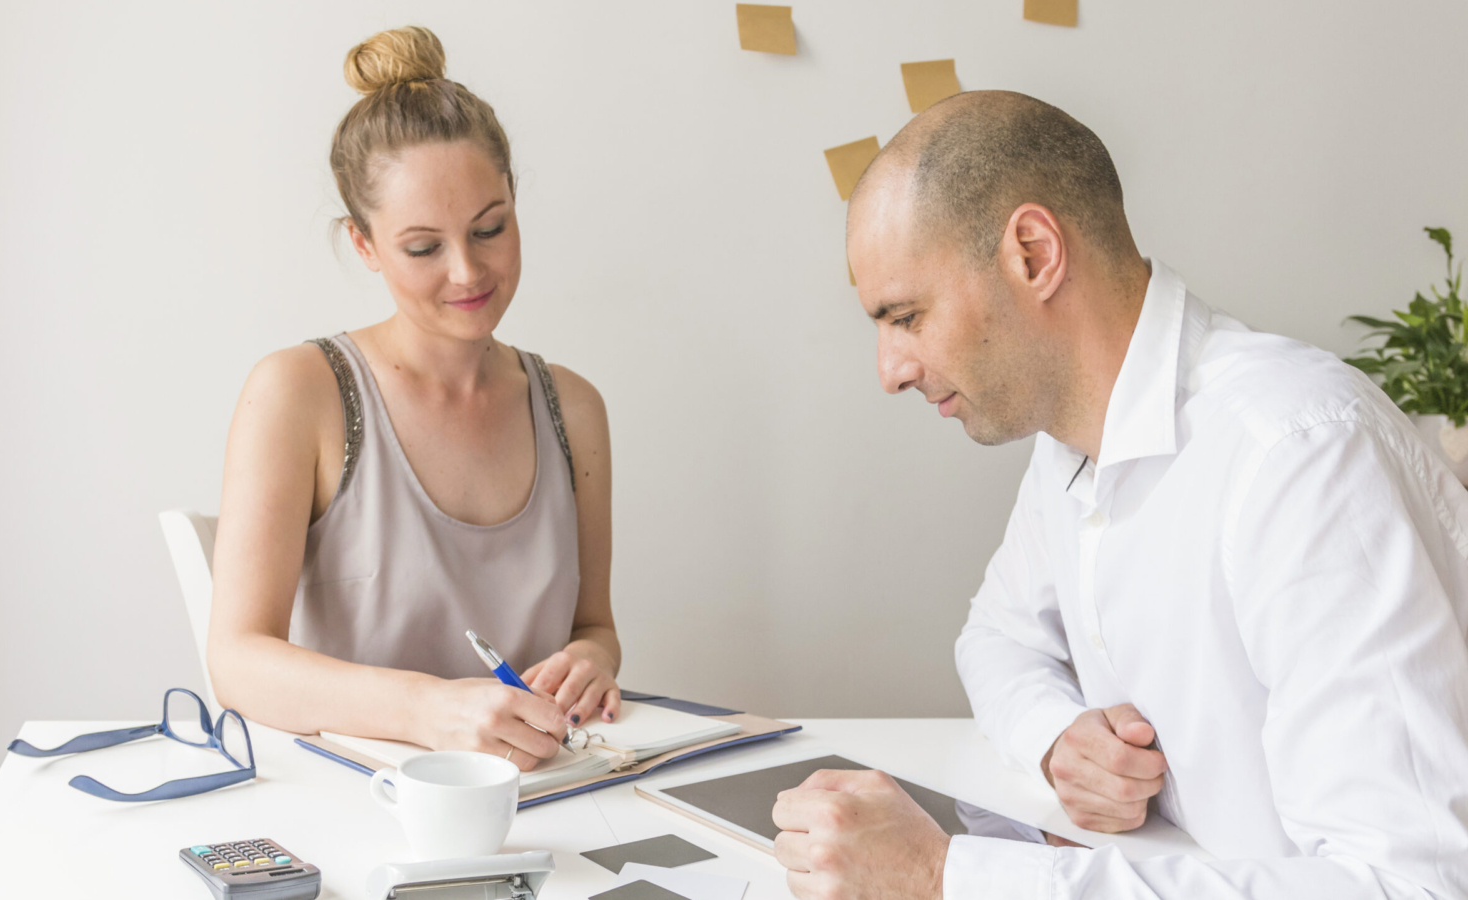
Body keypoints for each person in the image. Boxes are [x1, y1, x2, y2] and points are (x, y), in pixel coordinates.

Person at [772, 90, 1468, 899]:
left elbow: (1413, 887)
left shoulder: (1300, 453)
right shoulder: (1071, 438)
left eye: (906, 315)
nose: (890, 371)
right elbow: (996, 637)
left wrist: (945, 876)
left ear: (1033, 253)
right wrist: (1056, 734)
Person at [205, 26, 621, 771]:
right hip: (358, 808)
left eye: (490, 228)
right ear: (364, 245)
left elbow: (596, 625)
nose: (468, 271)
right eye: (424, 247)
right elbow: (236, 660)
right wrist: (430, 710)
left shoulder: (575, 409)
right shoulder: (300, 394)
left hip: (546, 801)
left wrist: (590, 658)